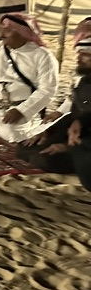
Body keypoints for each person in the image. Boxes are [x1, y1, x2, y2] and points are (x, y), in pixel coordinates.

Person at [0, 14, 59, 142]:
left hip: (22, 111)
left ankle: (30, 127)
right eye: (2, 30)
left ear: (22, 33)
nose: (2, 34)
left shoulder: (43, 56)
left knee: (8, 132)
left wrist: (22, 111)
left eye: (7, 31)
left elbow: (47, 90)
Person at [17, 38, 91, 190]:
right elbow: (73, 115)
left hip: (85, 141)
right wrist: (47, 131)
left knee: (45, 159)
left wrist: (66, 147)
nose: (78, 58)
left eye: (84, 55)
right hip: (75, 133)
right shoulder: (85, 81)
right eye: (79, 54)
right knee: (25, 148)